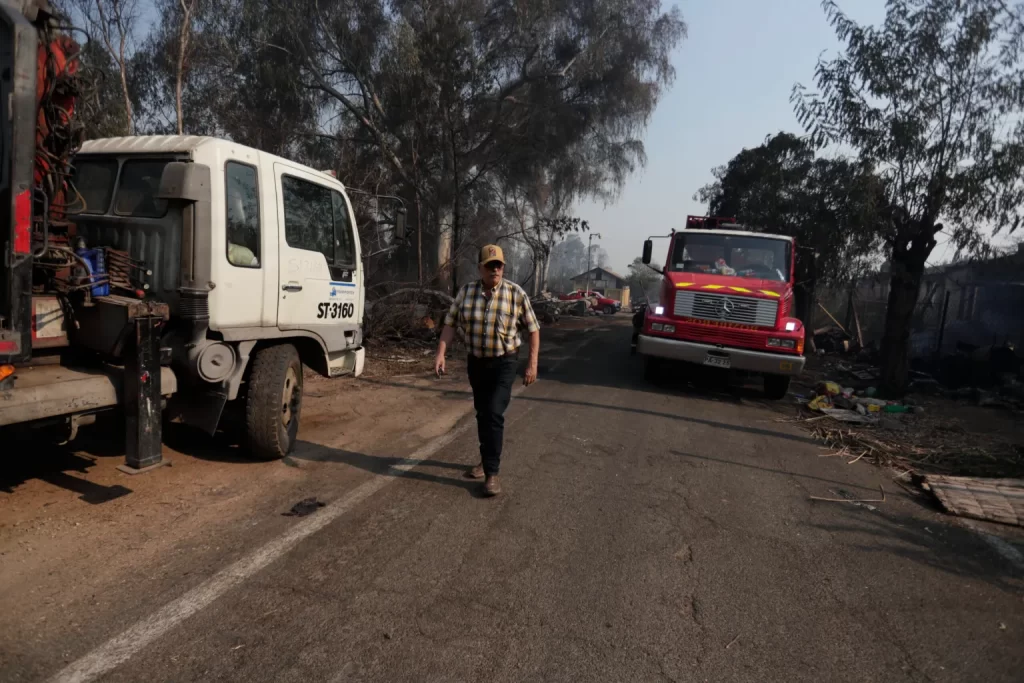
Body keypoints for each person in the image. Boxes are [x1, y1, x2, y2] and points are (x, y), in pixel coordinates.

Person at [435, 245, 540, 497]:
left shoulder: (515, 294)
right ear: (480, 267)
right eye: (490, 265)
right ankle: (486, 459)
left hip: (505, 364)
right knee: (483, 414)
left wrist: (532, 363)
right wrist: (441, 353)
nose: (495, 269)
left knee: (493, 412)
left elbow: (533, 329)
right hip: (477, 363)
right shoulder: (466, 292)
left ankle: (492, 473)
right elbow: (450, 323)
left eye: (499, 265)